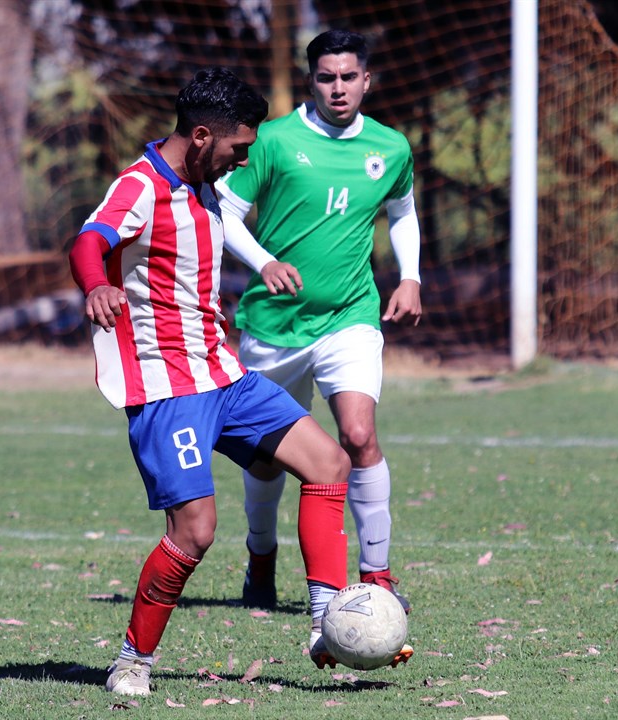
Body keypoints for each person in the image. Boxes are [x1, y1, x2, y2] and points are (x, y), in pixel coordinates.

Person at [69, 67, 411, 697]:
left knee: (330, 462)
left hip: (223, 374)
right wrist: (97, 284)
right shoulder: (141, 186)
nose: (244, 158)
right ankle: (133, 659)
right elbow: (90, 240)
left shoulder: (204, 185)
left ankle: (325, 623)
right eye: (239, 147)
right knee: (195, 531)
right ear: (201, 136)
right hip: (168, 387)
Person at [217, 29, 423, 613]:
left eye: (348, 77)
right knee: (264, 456)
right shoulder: (275, 141)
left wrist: (410, 277)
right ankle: (262, 557)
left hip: (349, 315)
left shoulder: (391, 147)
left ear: (367, 80)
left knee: (358, 436)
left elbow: (403, 213)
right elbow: (226, 214)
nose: (338, 88)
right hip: (273, 325)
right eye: (326, 78)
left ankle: (377, 577)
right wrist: (265, 261)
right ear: (312, 81)